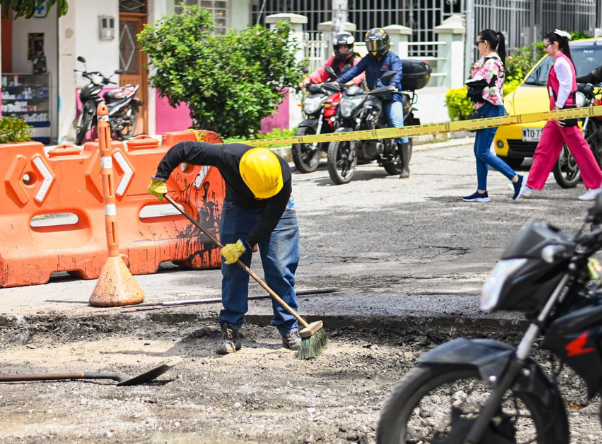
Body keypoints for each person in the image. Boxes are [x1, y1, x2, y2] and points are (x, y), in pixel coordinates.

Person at [147, 142, 301, 354]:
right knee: (233, 270)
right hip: (238, 208)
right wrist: (160, 177)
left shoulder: (281, 174)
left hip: (277, 213)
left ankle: (289, 328)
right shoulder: (227, 156)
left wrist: (245, 244)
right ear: (245, 177)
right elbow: (182, 149)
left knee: (280, 269)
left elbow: (269, 220)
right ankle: (231, 327)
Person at [517, 30, 602, 201]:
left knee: (580, 148)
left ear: (555, 44)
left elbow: (565, 88)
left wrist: (557, 110)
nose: (544, 49)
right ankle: (529, 186)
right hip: (558, 112)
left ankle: (597, 185)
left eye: (546, 45)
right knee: (544, 149)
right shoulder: (560, 61)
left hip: (562, 112)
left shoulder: (561, 62)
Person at [332, 28, 412, 179]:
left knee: (396, 124)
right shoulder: (368, 59)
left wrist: (392, 86)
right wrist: (338, 81)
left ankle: (405, 166)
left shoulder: (393, 58)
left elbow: (397, 74)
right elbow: (354, 71)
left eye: (376, 44)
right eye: (370, 44)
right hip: (373, 96)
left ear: (384, 43)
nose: (373, 48)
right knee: (359, 116)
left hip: (391, 97)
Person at [462, 29, 526, 202]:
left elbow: (488, 89)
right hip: (487, 110)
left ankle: (516, 178)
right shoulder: (487, 61)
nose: (477, 47)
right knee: (478, 151)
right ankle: (482, 192)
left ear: (485, 43)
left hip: (491, 110)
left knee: (482, 151)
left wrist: (472, 87)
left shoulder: (492, 63)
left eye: (477, 43)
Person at [300, 32, 366, 89]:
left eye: (345, 47)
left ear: (350, 47)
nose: (343, 49)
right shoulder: (333, 60)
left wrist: (352, 82)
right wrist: (309, 79)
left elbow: (361, 74)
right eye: (340, 47)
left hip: (354, 92)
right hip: (336, 90)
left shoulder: (356, 59)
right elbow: (322, 72)